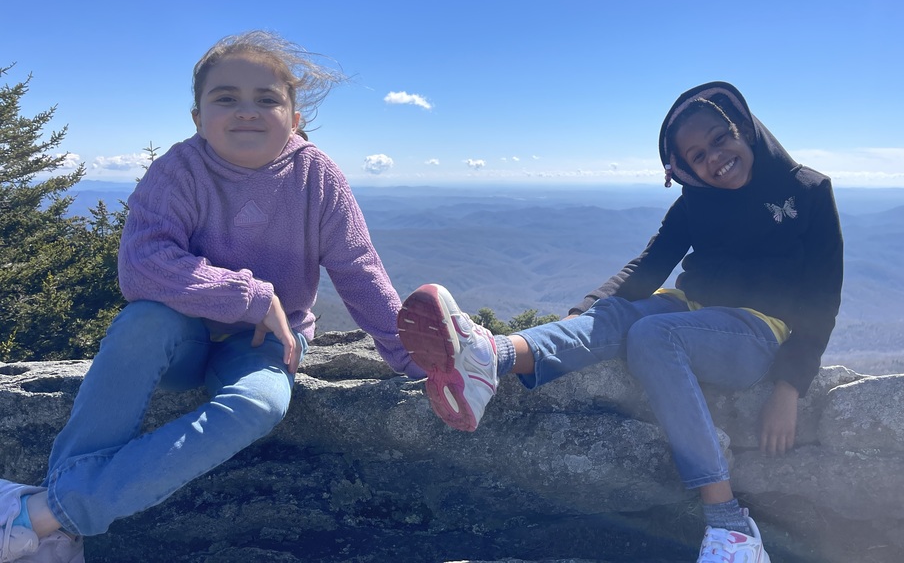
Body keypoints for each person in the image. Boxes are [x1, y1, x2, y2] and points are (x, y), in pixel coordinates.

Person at [1, 30, 423, 563]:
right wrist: (247, 295)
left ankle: (43, 518)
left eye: (267, 99)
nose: (246, 110)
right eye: (226, 97)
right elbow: (141, 266)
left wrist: (410, 356)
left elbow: (358, 268)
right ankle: (53, 522)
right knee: (142, 323)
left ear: (294, 118)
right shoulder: (178, 170)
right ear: (198, 116)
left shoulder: (318, 177)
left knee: (261, 404)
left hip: (264, 342)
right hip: (181, 336)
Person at [398, 81, 843, 563]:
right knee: (615, 314)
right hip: (688, 307)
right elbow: (648, 266)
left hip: (756, 332)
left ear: (745, 130)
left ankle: (732, 528)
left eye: (720, 139)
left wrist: (789, 388)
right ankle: (491, 358)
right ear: (686, 170)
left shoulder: (808, 191)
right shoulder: (695, 201)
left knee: (652, 334)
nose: (715, 157)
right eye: (697, 155)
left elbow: (823, 300)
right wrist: (584, 310)